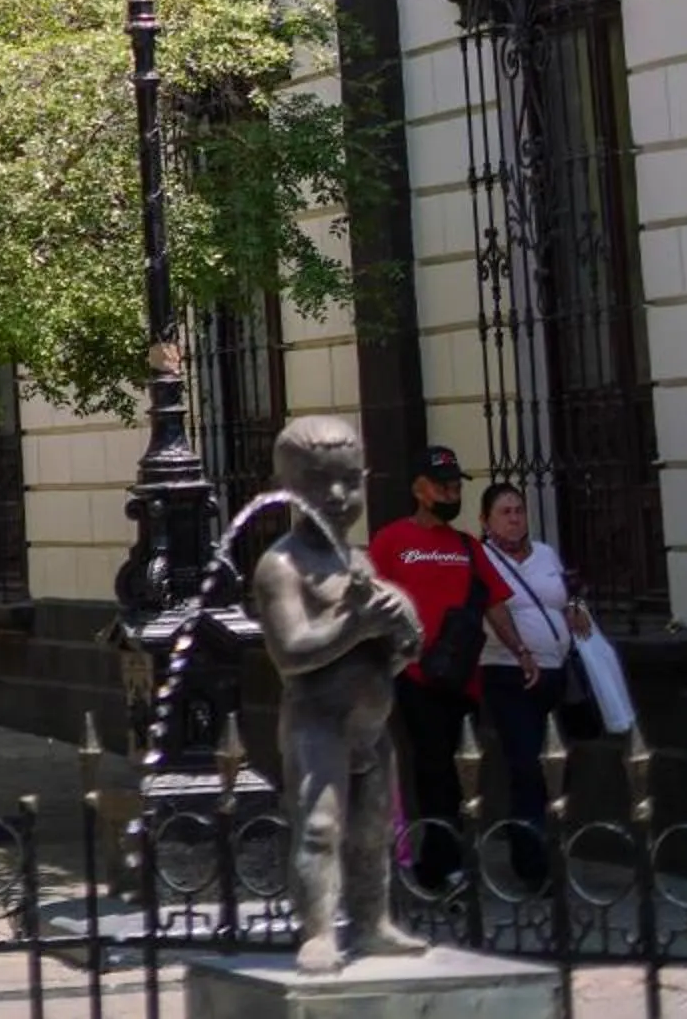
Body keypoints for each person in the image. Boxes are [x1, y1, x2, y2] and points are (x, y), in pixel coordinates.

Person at [249, 416, 427, 971]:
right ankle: (319, 930)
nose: (338, 495)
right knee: (320, 827)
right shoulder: (281, 564)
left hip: (371, 728)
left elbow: (399, 655)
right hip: (317, 722)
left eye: (350, 481)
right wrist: (358, 626)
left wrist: (404, 631)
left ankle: (373, 922)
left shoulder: (360, 562)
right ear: (288, 490)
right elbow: (292, 652)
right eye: (320, 483)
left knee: (372, 832)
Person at [367, 441, 538, 890]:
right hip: (414, 675)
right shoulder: (391, 541)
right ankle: (440, 862)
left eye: (453, 486)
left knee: (458, 767)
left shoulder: (465, 545)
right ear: (419, 489)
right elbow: (369, 602)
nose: (449, 493)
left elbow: (496, 603)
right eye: (441, 486)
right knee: (433, 767)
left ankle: (447, 856)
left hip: (463, 679)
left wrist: (520, 650)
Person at [480, 480, 588, 888]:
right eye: (504, 512)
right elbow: (491, 609)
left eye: (519, 510)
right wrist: (521, 650)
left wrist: (577, 607)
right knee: (525, 764)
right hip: (509, 673)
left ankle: (546, 837)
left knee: (558, 763)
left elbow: (569, 591)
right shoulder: (483, 557)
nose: (514, 518)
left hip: (557, 673)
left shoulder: (544, 553)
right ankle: (531, 863)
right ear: (487, 521)